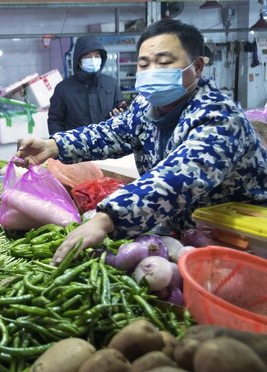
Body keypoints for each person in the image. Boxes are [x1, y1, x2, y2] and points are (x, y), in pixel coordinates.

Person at [17, 19, 267, 264]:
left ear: (197, 66)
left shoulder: (220, 118)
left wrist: (107, 218)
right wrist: (53, 146)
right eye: (144, 64)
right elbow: (113, 133)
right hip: (187, 235)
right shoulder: (147, 105)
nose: (152, 71)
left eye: (164, 62)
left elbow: (177, 178)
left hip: (243, 242)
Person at [48, 36, 125, 134]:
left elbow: (122, 110)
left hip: (107, 145)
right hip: (75, 147)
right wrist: (59, 144)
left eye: (97, 56)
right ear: (78, 60)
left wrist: (120, 115)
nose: (93, 60)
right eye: (88, 57)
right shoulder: (63, 89)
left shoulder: (111, 84)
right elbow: (55, 120)